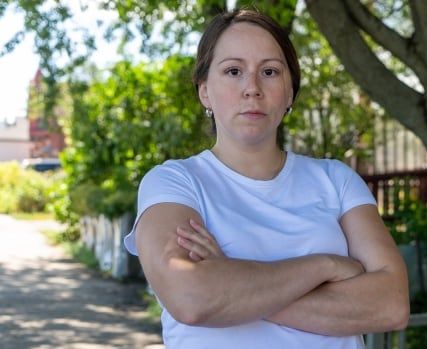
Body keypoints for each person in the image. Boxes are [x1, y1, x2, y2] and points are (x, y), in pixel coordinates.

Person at [123, 9, 409, 349]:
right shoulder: (175, 183)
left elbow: (391, 305)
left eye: (270, 71)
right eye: (233, 71)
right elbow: (191, 298)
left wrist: (232, 284)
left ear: (289, 93)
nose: (252, 89)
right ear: (204, 92)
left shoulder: (337, 180)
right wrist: (326, 265)